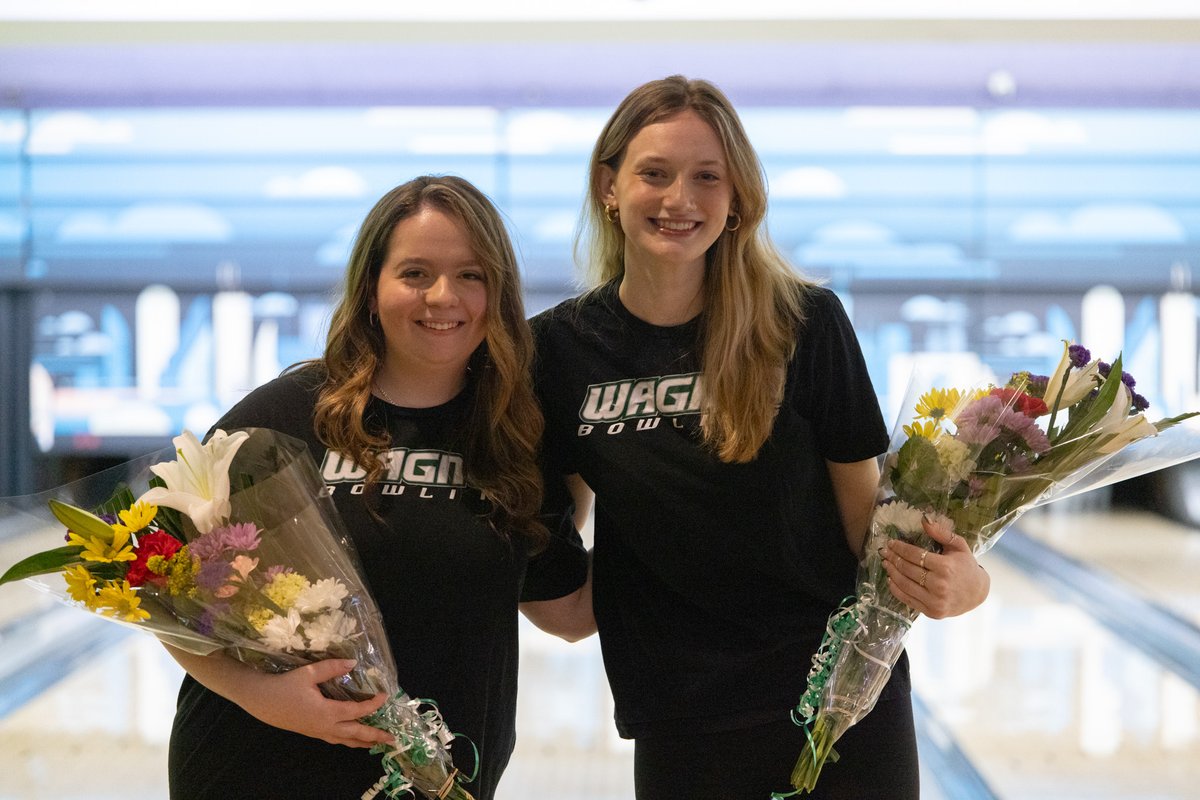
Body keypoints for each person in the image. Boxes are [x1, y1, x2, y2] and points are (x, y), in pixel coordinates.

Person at [531, 76, 991, 800]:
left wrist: (967, 581)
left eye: (706, 177)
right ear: (608, 187)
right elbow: (558, 573)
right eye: (655, 173)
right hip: (681, 720)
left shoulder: (803, 324)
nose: (679, 199)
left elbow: (867, 532)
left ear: (737, 198)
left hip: (839, 709)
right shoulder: (560, 351)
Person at [166, 175, 591, 800]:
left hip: (435, 781)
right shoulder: (283, 419)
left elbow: (569, 612)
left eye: (471, 275)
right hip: (258, 767)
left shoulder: (512, 438)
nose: (443, 296)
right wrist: (262, 695)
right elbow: (162, 587)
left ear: (498, 294)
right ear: (371, 288)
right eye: (415, 273)